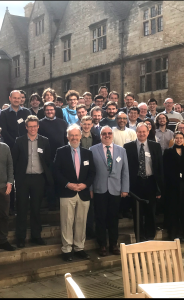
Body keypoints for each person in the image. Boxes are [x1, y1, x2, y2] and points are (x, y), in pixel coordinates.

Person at [53, 124, 96, 261]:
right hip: (67, 192)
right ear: (67, 137)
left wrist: (85, 185)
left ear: (81, 136)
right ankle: (66, 250)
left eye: (77, 135)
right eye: (71, 135)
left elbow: (92, 173)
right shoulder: (61, 152)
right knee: (67, 221)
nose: (74, 137)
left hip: (83, 193)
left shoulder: (87, 153)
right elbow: (56, 172)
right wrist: (68, 184)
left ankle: (79, 248)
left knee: (81, 221)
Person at [12, 116, 53, 248]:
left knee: (36, 209)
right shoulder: (19, 141)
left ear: (38, 126)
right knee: (22, 209)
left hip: (38, 179)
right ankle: (20, 238)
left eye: (35, 126)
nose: (33, 128)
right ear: (26, 127)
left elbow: (48, 161)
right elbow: (14, 160)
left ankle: (36, 236)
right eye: (30, 126)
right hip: (23, 178)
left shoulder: (44, 141)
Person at [90, 126, 129, 256]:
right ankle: (102, 245)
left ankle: (113, 244)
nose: (107, 135)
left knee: (113, 218)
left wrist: (125, 188)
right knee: (100, 218)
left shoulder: (121, 151)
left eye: (109, 133)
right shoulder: (92, 150)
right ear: (100, 135)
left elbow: (125, 171)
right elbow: (90, 173)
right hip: (99, 189)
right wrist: (90, 189)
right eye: (104, 133)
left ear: (112, 135)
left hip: (116, 190)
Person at [124, 123, 164, 242]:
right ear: (136, 132)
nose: (142, 134)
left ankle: (150, 236)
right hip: (135, 183)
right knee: (137, 212)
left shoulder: (155, 146)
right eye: (139, 131)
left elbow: (159, 167)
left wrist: (160, 187)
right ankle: (140, 237)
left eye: (144, 132)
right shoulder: (128, 147)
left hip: (150, 182)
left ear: (148, 132)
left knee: (150, 211)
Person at [0, 90, 31, 215]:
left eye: (19, 98)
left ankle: (22, 206)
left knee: (22, 178)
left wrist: (22, 144)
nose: (17, 100)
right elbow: (4, 130)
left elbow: (29, 129)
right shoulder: (4, 113)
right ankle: (11, 206)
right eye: (15, 98)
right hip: (10, 148)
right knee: (10, 178)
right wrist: (15, 143)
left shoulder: (26, 112)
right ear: (10, 98)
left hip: (25, 149)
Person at [163, 131, 184, 242]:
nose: (179, 140)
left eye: (181, 138)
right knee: (173, 209)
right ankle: (174, 234)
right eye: (176, 138)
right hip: (172, 186)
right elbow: (165, 170)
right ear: (174, 139)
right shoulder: (168, 152)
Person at [38, 102, 68, 210]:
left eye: (51, 109)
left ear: (55, 110)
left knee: (60, 179)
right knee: (49, 180)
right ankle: (51, 204)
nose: (49, 111)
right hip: (47, 156)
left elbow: (66, 139)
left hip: (61, 156)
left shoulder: (62, 123)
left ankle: (61, 203)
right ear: (44, 111)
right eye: (47, 110)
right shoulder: (40, 123)